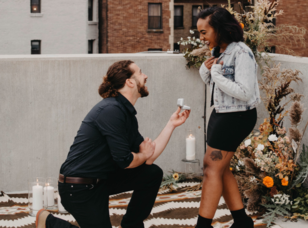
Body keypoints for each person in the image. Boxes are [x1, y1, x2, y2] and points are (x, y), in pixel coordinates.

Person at [35, 60, 191, 228]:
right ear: (129, 82)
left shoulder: (125, 113)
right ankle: (48, 222)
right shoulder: (111, 111)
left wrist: (171, 124)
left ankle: (131, 225)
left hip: (100, 180)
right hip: (78, 188)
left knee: (151, 173)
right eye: (140, 72)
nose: (145, 76)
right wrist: (142, 155)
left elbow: (148, 158)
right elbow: (125, 160)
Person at [195, 7, 261, 228]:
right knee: (218, 167)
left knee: (211, 167)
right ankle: (242, 221)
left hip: (236, 117)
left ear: (220, 29)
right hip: (222, 113)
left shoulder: (242, 53)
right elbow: (219, 87)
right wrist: (207, 71)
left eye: (204, 32)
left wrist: (216, 75)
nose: (201, 37)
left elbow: (245, 92)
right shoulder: (220, 51)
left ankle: (202, 226)